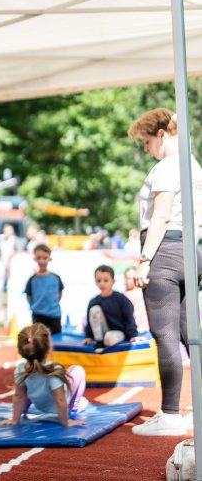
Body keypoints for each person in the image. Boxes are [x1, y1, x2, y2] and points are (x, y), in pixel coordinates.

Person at [128, 108, 202, 436]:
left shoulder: (165, 167)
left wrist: (144, 260)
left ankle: (170, 415)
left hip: (165, 252)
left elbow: (159, 216)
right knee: (193, 337)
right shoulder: (194, 165)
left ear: (161, 134)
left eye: (145, 141)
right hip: (192, 251)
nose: (145, 149)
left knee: (166, 335)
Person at [0, 323, 87, 427]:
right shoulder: (54, 370)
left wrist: (14, 420)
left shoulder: (20, 369)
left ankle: (24, 409)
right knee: (77, 370)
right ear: (48, 347)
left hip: (40, 405)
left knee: (24, 387)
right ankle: (73, 409)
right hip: (59, 409)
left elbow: (18, 396)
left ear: (21, 350)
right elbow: (60, 400)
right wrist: (66, 422)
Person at [82, 265, 140, 351]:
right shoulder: (93, 301)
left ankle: (104, 341)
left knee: (109, 338)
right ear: (95, 282)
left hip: (118, 332)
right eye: (99, 280)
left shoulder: (121, 299)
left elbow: (129, 318)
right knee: (94, 310)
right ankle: (99, 342)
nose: (102, 283)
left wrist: (133, 335)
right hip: (101, 334)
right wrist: (88, 337)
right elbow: (89, 322)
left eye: (106, 280)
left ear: (113, 281)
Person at [24, 244, 64, 335]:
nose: (42, 261)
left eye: (44, 258)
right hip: (38, 315)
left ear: (49, 258)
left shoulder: (56, 278)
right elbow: (28, 295)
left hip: (54, 315)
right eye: (39, 258)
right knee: (39, 339)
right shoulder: (32, 279)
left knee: (56, 339)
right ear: (35, 259)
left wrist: (53, 305)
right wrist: (34, 306)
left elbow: (60, 293)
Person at [123, 267, 150, 333]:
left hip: (144, 329)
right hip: (129, 331)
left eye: (131, 278)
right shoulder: (121, 296)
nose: (128, 280)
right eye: (127, 278)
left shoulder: (143, 292)